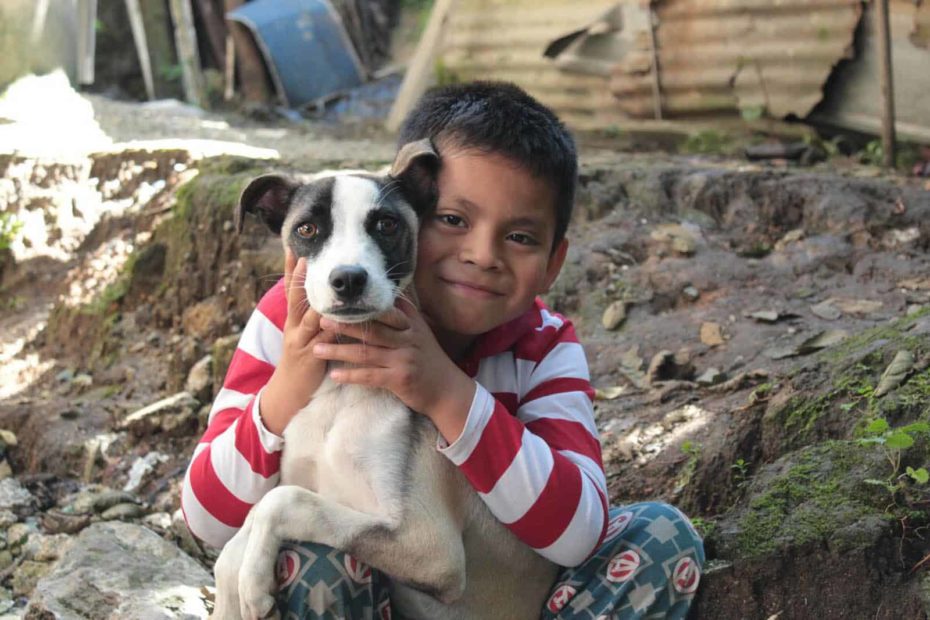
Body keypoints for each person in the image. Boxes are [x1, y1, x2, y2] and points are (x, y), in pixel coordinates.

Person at [182, 81, 704, 619]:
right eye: (453, 221)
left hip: (492, 595)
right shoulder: (292, 314)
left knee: (661, 536)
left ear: (553, 262)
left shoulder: (543, 345)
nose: (481, 255)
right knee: (304, 561)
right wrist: (289, 383)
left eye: (520, 237)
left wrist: (445, 392)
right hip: (364, 597)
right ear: (409, 206)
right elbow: (205, 519)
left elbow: (577, 536)